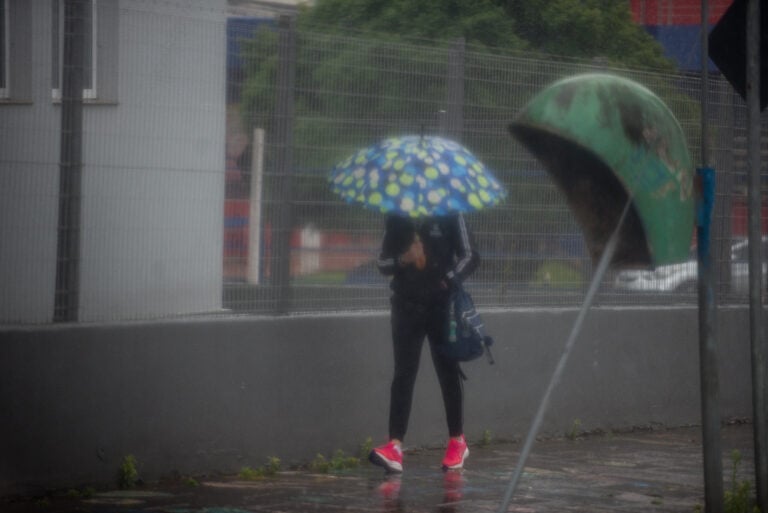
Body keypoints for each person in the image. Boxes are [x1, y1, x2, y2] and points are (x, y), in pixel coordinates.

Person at [369, 212, 480, 473]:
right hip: (406, 308)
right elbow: (383, 263)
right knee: (403, 375)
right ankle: (394, 446)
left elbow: (471, 255)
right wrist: (405, 258)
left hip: (442, 308)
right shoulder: (396, 218)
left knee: (447, 372)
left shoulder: (451, 212)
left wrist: (447, 279)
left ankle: (457, 440)